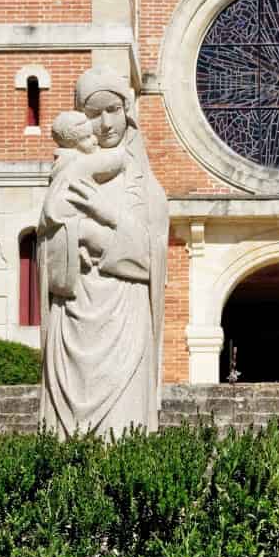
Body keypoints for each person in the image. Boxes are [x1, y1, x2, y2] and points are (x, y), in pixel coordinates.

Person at [37, 69, 169, 437]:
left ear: (126, 110)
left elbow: (152, 256)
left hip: (125, 316)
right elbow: (47, 240)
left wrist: (103, 219)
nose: (106, 123)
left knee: (122, 431)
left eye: (112, 109)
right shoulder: (68, 172)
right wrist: (72, 237)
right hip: (74, 312)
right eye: (94, 114)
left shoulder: (143, 185)